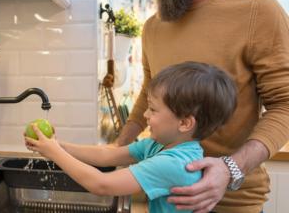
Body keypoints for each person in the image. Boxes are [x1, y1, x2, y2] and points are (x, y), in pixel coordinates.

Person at [113, 0, 289, 212]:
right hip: (167, 199)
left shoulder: (258, 12)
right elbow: (148, 94)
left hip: (232, 203)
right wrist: (117, 149)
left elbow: (284, 105)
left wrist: (230, 169)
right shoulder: (152, 28)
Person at [25, 61, 238, 213]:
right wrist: (57, 145)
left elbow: (102, 185)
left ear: (184, 123)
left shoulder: (175, 164)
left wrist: (54, 153)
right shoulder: (159, 145)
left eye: (153, 110)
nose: (145, 115)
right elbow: (107, 156)